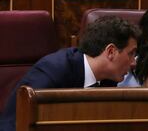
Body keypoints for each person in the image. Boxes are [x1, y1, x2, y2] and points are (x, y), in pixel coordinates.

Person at [0, 15, 139, 131]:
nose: (133, 62)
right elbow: (12, 124)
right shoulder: (53, 71)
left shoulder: (108, 79)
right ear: (111, 52)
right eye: (131, 54)